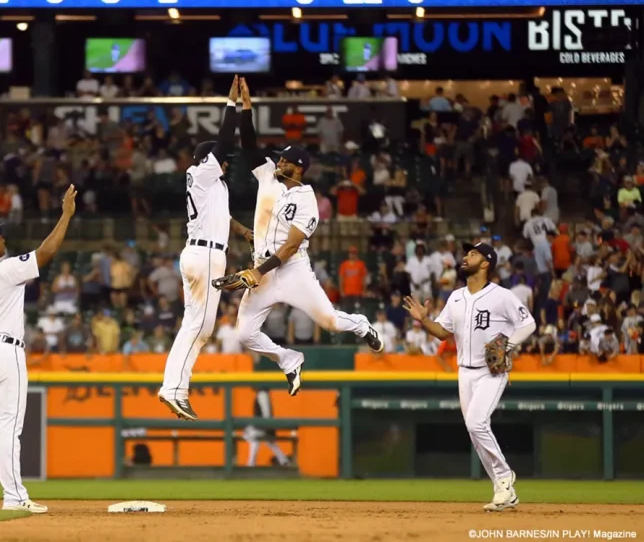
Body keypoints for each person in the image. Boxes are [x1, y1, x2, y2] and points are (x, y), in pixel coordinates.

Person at [228, 105, 384, 397]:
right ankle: (288, 359)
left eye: (285, 160)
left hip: (291, 269)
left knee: (331, 323)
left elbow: (289, 247)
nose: (279, 162)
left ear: (297, 167)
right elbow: (249, 145)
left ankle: (361, 325)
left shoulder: (307, 198)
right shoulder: (267, 177)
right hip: (262, 268)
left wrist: (256, 273)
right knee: (245, 334)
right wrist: (245, 111)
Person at [0, 185, 77, 512]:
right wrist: (65, 215)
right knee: (9, 425)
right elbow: (47, 252)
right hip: (4, 351)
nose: (4, 241)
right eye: (0, 237)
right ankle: (14, 497)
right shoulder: (6, 269)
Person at [403, 242, 535, 512]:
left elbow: (529, 324)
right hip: (465, 372)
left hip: (492, 370)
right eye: (466, 253)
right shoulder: (456, 297)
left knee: (476, 424)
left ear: (486, 263)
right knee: (475, 432)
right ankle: (503, 488)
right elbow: (442, 333)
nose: (465, 257)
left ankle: (505, 478)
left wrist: (506, 344)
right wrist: (424, 320)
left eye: (472, 254)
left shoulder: (502, 296)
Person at [158, 76, 253, 421]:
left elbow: (223, 216)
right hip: (205, 255)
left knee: (197, 327)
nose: (225, 163)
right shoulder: (200, 173)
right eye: (219, 159)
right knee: (199, 328)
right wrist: (231, 105)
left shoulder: (213, 185)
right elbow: (225, 142)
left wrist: (243, 231)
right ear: (207, 159)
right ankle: (172, 389)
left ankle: (177, 389)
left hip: (204, 252)